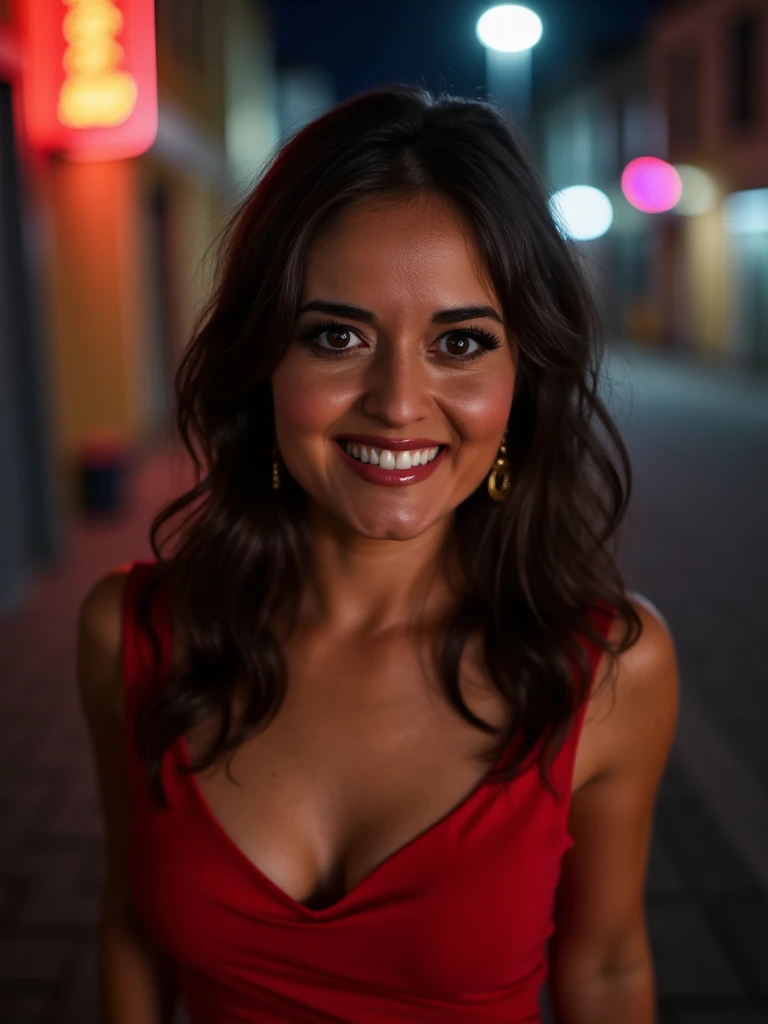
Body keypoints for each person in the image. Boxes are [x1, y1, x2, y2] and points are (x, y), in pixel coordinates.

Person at [76, 85, 679, 1024]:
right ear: (264, 359)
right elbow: (128, 925)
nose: (398, 402)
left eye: (461, 342)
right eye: (338, 335)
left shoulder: (611, 668)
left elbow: (603, 970)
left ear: (522, 381)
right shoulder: (132, 633)